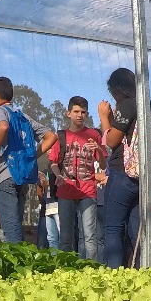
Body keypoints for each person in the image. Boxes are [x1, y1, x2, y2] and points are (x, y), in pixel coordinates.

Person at [98, 67, 151, 268]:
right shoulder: (146, 107)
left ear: (119, 89)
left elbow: (111, 141)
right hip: (141, 179)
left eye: (112, 92)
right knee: (137, 231)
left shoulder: (127, 105)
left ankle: (114, 277)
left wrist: (104, 117)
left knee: (113, 227)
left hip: (123, 173)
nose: (112, 97)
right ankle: (142, 275)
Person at [0, 76, 57, 245]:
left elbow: (2, 127)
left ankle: (17, 269)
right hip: (22, 176)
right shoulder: (22, 116)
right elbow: (50, 136)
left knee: (9, 232)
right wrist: (30, 157)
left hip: (4, 176)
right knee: (15, 224)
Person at [50, 96, 104, 258]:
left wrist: (99, 150)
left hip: (88, 192)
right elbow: (53, 162)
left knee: (89, 235)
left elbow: (103, 165)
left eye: (83, 112)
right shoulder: (61, 136)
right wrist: (58, 176)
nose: (79, 115)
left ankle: (91, 269)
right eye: (76, 111)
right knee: (65, 236)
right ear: (68, 113)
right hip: (66, 191)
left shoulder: (93, 135)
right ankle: (65, 270)